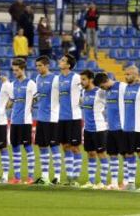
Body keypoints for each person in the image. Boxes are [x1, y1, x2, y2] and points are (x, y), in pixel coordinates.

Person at [93, 72, 128, 190]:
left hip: (122, 127)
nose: (102, 89)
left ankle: (126, 181)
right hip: (111, 127)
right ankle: (113, 182)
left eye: (102, 86)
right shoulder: (103, 91)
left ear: (106, 80)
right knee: (112, 155)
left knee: (125, 155)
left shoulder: (122, 87)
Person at [122, 65, 140, 191]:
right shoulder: (126, 88)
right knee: (129, 155)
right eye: (126, 74)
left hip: (138, 128)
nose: (126, 76)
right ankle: (131, 182)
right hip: (127, 128)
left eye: (128, 74)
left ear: (135, 75)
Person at [8, 58, 37, 185]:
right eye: (13, 70)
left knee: (28, 147)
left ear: (23, 69)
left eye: (17, 70)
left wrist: (30, 105)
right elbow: (11, 102)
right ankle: (17, 177)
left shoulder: (30, 83)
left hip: (25, 121)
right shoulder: (12, 84)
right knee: (15, 148)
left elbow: (36, 98)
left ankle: (30, 177)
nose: (14, 72)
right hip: (14, 120)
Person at [79, 70, 108, 190]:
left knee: (101, 154)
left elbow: (111, 102)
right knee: (90, 154)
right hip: (87, 128)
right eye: (81, 79)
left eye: (84, 79)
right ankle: (91, 181)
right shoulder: (83, 92)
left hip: (99, 128)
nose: (82, 82)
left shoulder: (100, 92)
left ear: (91, 79)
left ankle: (103, 182)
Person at [33, 55, 60, 185]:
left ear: (47, 66)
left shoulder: (55, 79)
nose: (38, 68)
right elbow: (38, 95)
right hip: (40, 117)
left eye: (40, 65)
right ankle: (45, 176)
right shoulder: (38, 78)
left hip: (52, 118)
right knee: (42, 146)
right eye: (37, 66)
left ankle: (57, 177)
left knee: (54, 146)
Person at [58, 54, 82, 185]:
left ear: (68, 65)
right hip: (61, 118)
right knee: (65, 146)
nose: (60, 61)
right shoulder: (58, 78)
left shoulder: (76, 77)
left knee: (75, 148)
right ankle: (69, 176)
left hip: (74, 117)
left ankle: (76, 177)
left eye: (62, 60)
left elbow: (84, 89)